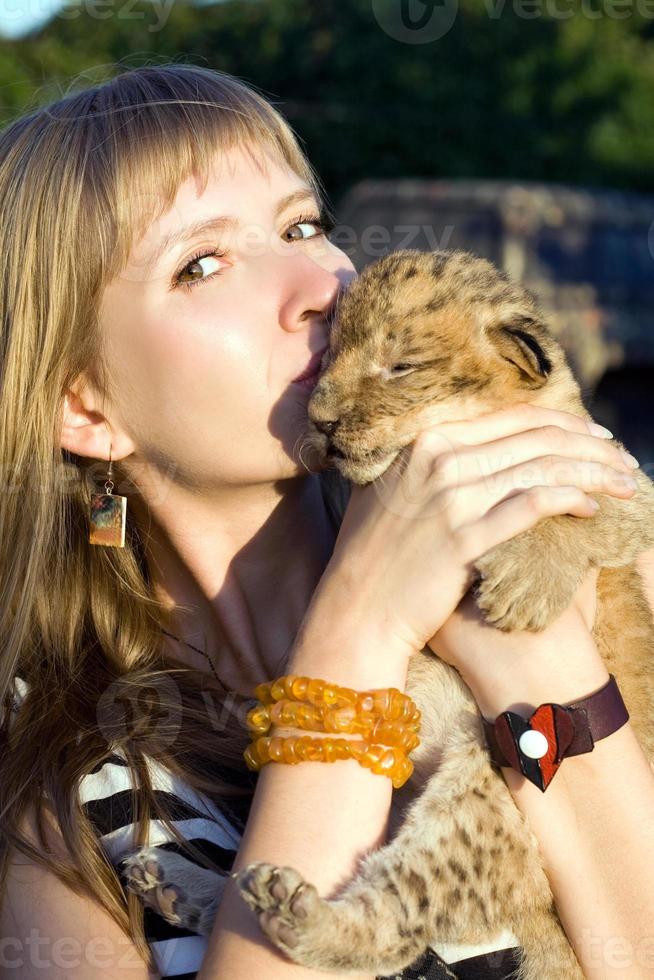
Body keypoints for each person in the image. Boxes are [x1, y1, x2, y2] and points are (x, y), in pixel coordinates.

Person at [0, 62, 653, 980]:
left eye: (304, 225)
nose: (318, 283)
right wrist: (359, 628)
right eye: (202, 263)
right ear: (86, 406)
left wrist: (526, 644)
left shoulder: (580, 561)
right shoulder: (57, 807)